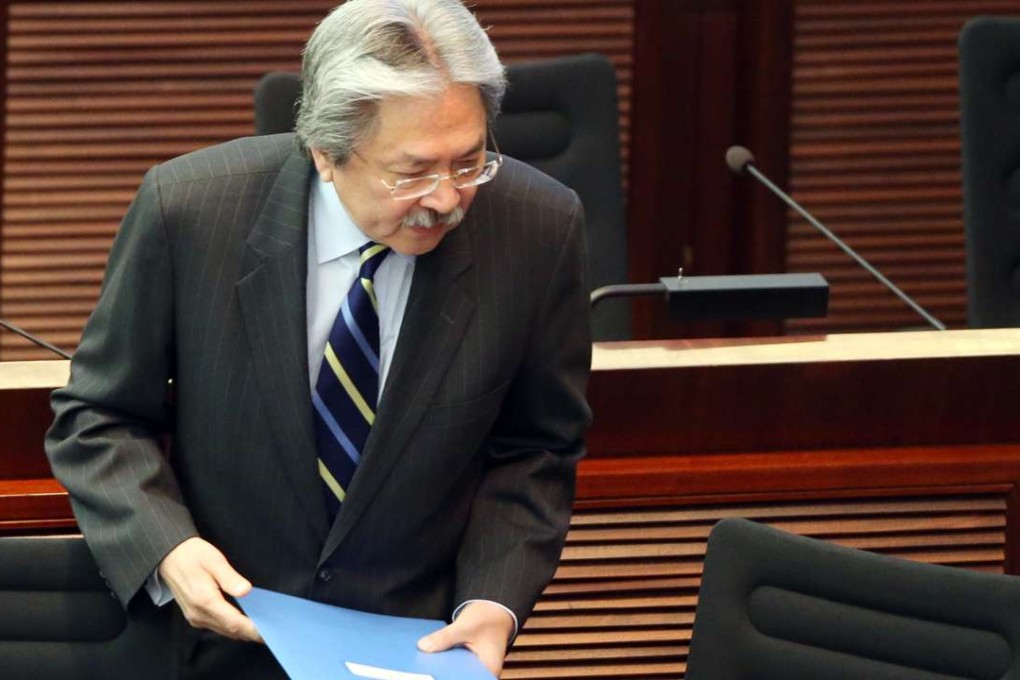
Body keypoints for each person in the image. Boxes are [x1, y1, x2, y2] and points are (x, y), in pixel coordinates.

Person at [44, 0, 591, 677]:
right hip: (218, 644)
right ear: (325, 154)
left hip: (416, 650)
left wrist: (495, 601)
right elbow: (97, 416)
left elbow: (536, 447)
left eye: (469, 162)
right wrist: (167, 549)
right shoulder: (189, 213)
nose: (447, 198)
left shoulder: (537, 228)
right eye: (413, 170)